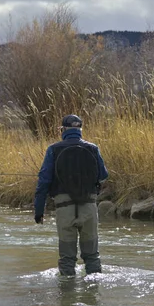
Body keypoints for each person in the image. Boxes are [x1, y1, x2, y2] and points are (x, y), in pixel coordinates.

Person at [34, 114, 108, 276]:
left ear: (63, 130)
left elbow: (43, 183)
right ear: (80, 130)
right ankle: (93, 296)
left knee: (67, 259)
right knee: (92, 257)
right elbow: (103, 175)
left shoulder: (53, 149)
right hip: (88, 208)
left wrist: (39, 211)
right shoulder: (93, 148)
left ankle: (67, 298)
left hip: (64, 209)